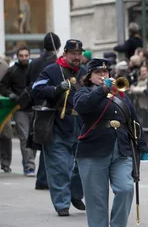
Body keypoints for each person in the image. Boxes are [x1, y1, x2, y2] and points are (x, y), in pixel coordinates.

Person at [74, 58, 148, 227]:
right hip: (93, 150)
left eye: (105, 72)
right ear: (89, 76)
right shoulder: (84, 92)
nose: (103, 75)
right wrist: (101, 90)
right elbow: (82, 106)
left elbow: (133, 120)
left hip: (121, 148)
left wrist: (143, 147)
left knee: (125, 188)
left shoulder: (120, 94)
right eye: (98, 73)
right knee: (96, 198)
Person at [32, 39, 86, 216]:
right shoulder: (52, 70)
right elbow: (36, 90)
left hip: (81, 126)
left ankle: (76, 195)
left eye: (79, 54)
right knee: (60, 167)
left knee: (84, 166)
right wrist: (56, 89)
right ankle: (62, 203)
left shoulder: (85, 73)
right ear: (65, 53)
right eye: (73, 54)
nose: (77, 57)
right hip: (57, 124)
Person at [26, 32, 61, 189]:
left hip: (37, 106)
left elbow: (29, 82)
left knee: (44, 141)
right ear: (58, 46)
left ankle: (42, 178)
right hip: (52, 106)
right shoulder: (57, 64)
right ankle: (44, 179)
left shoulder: (34, 63)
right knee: (51, 143)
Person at [0, 46, 36, 175]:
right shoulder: (12, 71)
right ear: (17, 56)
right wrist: (10, 94)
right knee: (25, 137)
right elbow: (3, 86)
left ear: (29, 55)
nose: (24, 58)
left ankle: (27, 160)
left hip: (35, 108)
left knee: (35, 138)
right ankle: (29, 166)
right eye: (21, 56)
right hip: (20, 109)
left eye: (26, 55)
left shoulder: (34, 69)